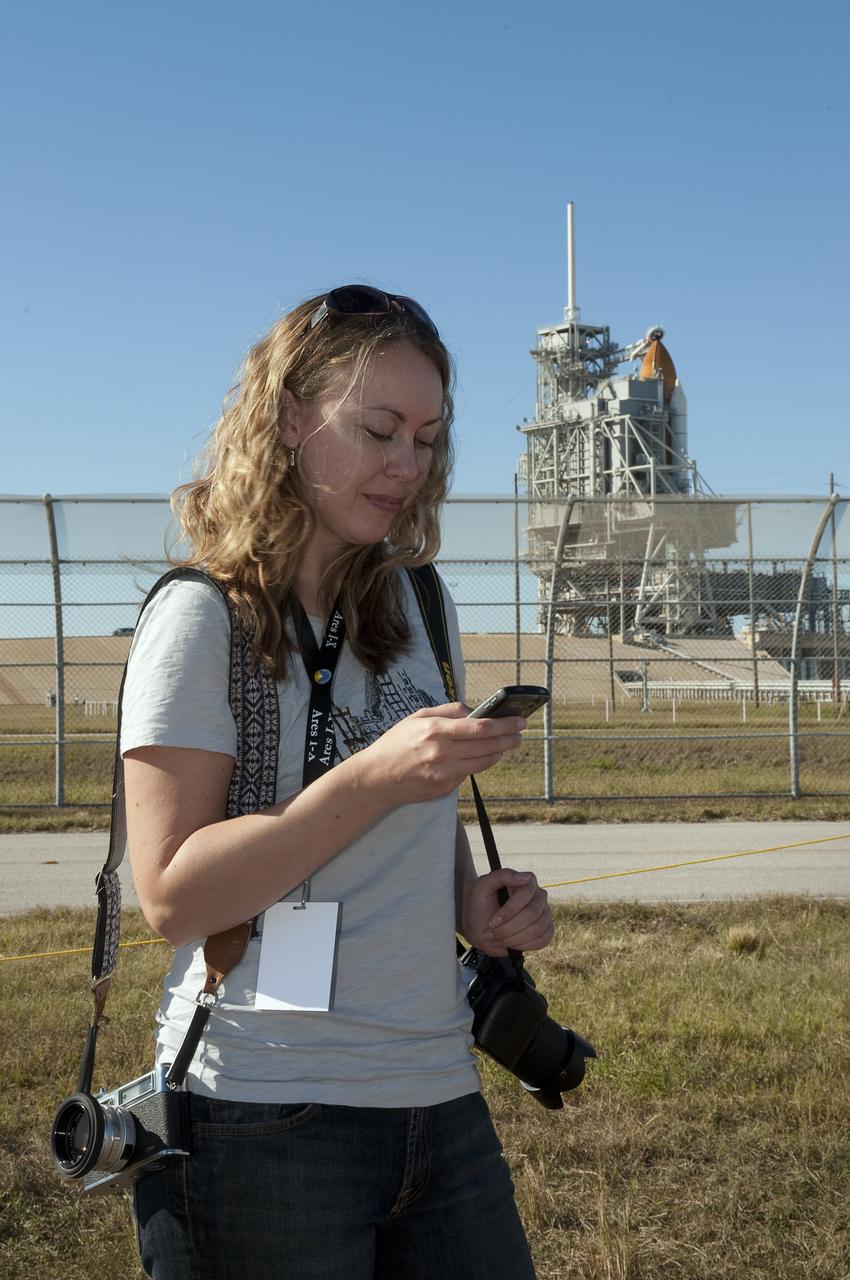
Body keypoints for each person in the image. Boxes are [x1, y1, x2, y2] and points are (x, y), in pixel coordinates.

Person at [121, 285, 554, 1280]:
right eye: (378, 428)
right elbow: (172, 894)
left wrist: (470, 900)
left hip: (437, 1089)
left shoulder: (416, 600)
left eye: (429, 437)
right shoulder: (202, 617)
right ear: (286, 419)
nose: (407, 463)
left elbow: (415, 810)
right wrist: (367, 780)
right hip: (260, 1112)